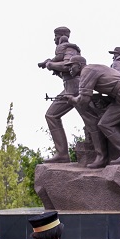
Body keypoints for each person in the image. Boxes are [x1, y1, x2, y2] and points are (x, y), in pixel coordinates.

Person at [38, 26, 83, 163]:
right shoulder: (67, 49)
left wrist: (51, 65)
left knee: (51, 115)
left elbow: (67, 66)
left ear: (62, 36)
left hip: (74, 87)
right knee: (91, 120)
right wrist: (49, 63)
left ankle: (62, 154)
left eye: (56, 36)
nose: (54, 40)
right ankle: (62, 154)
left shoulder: (68, 48)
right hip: (71, 86)